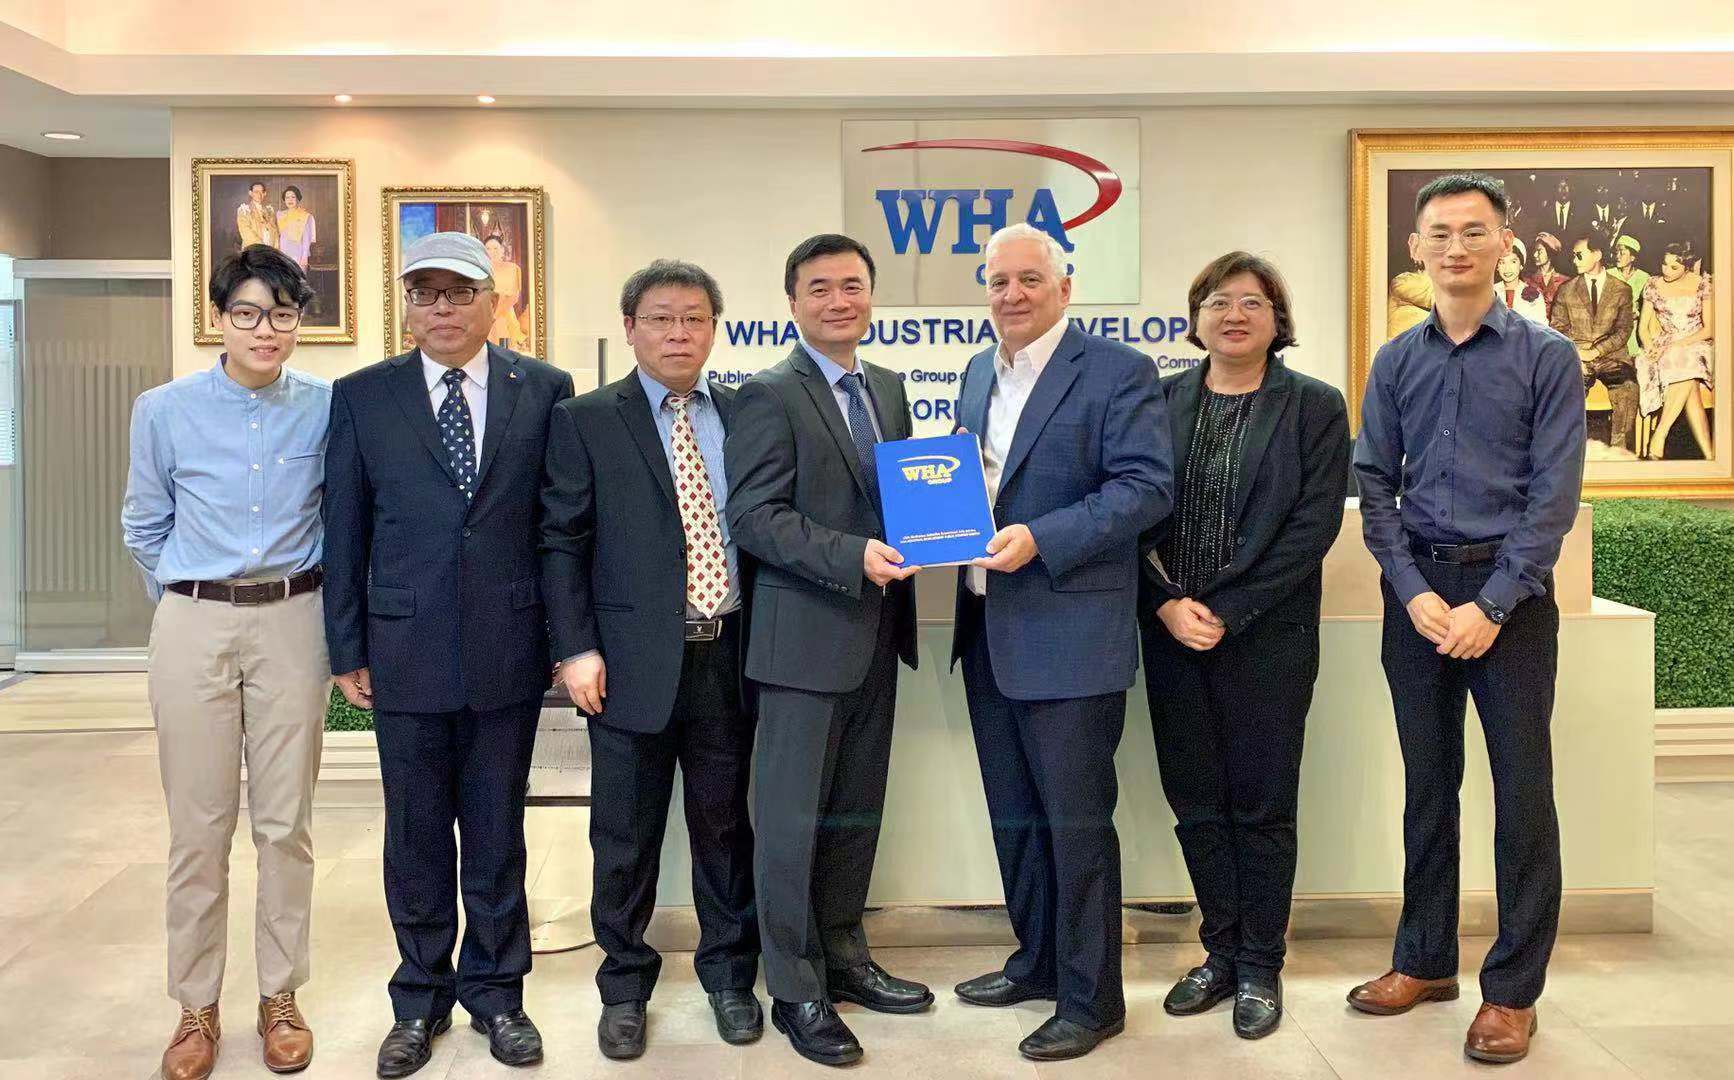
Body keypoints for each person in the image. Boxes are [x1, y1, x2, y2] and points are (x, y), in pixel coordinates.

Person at [322, 231, 573, 1078]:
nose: (441, 308)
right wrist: (345, 646)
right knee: (417, 835)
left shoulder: (544, 390)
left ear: (493, 302)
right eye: (424, 292)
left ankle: (498, 996)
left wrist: (563, 637)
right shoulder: (363, 396)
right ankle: (419, 999)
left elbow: (557, 526)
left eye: (459, 292)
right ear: (407, 305)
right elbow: (344, 529)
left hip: (510, 643)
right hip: (403, 648)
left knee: (498, 833)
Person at [1351, 173, 1586, 1065]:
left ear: (1503, 244)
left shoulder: (1546, 357)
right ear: (1417, 248)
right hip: (1416, 592)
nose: (1456, 247)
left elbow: (1552, 497)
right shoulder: (1395, 360)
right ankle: (1424, 961)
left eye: (1474, 231)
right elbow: (1375, 484)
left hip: (1510, 600)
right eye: (1440, 233)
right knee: (1428, 785)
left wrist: (1492, 604)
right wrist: (1412, 589)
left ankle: (1513, 993)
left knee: (1523, 795)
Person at [948, 223, 1172, 1062]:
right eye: (998, 281)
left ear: (1065, 288)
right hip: (987, 632)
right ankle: (1037, 962)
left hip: (1072, 637)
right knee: (1017, 820)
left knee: (1076, 828)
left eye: (1029, 279)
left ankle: (1091, 999)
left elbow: (1145, 488)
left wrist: (1042, 537)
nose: (1012, 295)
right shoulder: (978, 372)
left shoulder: (1118, 371)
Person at [539, 260, 762, 1060]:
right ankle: (625, 987)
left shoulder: (743, 413)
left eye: (695, 319)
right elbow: (561, 540)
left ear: (714, 329)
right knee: (624, 836)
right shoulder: (586, 419)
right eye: (661, 319)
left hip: (729, 655)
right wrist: (575, 648)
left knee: (725, 829)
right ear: (631, 327)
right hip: (626, 665)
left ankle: (729, 977)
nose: (678, 334)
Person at [122, 243, 329, 1080]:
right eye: (247, 313)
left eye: (282, 314)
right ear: (219, 319)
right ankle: (195, 1006)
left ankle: (280, 996)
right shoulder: (163, 410)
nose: (265, 330)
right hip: (195, 621)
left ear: (298, 321)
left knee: (285, 825)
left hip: (295, 620)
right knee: (199, 827)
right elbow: (144, 525)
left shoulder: (326, 409)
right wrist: (190, 601)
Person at [723, 233, 930, 1068]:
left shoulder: (889, 387)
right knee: (789, 823)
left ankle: (845, 955)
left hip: (879, 637)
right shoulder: (767, 395)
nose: (838, 301)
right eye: (819, 288)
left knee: (854, 813)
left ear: (870, 295)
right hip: (800, 643)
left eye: (852, 285)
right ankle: (796, 987)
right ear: (793, 303)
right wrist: (852, 556)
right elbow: (754, 516)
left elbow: (900, 501)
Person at [1139, 252, 1348, 1042]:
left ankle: (1262, 963)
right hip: (1172, 634)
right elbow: (1129, 511)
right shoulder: (1159, 403)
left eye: (1252, 302)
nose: (1234, 315)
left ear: (1276, 319)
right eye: (1219, 301)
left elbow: (1313, 527)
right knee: (1195, 803)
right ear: (1196, 318)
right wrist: (1165, 605)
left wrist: (1225, 610)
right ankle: (1219, 953)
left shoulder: (1313, 407)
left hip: (1268, 637)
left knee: (1261, 806)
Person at [1551, 235, 1636, 458]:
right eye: (1573, 256)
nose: (1574, 260)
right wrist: (1578, 352)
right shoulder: (1566, 290)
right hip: (1576, 357)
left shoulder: (1622, 289)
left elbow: (1623, 331)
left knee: (1628, 389)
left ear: (1597, 254)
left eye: (1579, 255)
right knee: (1565, 390)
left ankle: (1620, 453)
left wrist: (1596, 351)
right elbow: (1557, 329)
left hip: (1612, 357)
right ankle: (1566, 453)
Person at [1639, 244, 1715, 459]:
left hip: (1697, 342)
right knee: (1690, 386)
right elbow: (1643, 328)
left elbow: (1709, 330)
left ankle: (1660, 434)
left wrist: (1680, 344)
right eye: (1664, 264)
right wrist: (1651, 347)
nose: (1666, 270)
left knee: (1687, 358)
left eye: (1674, 267)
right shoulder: (1652, 284)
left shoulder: (1702, 284)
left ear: (1687, 267)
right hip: (1666, 344)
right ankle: (1710, 456)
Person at [484, 234, 529, 352]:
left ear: (502, 250)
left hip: (505, 317)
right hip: (485, 316)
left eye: (495, 248)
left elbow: (514, 297)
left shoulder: (512, 268)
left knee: (504, 351)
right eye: (488, 248)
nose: (492, 252)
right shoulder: (481, 270)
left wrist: (494, 316)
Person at [1609, 234, 1650, 365]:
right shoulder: (1609, 274)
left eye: (1622, 253)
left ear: (1633, 257)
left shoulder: (1644, 277)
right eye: (1616, 252)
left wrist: (1637, 313)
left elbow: (1647, 306)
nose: (1618, 256)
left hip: (1635, 327)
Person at [1494, 240, 1548, 325]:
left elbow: (1542, 327)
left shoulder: (1534, 295)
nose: (1507, 268)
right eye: (1502, 263)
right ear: (1497, 266)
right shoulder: (1489, 293)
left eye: (1513, 262)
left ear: (1521, 265)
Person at [1522, 232, 1568, 316]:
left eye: (1539, 251)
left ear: (1550, 252)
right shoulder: (1527, 280)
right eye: (1534, 251)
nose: (1535, 255)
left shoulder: (1565, 282)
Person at [275, 185, 316, 270]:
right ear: (284, 200)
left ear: (298, 199)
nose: (290, 200)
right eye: (287, 197)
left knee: (297, 277)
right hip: (282, 253)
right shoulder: (280, 215)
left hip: (298, 254)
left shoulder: (305, 216)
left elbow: (306, 239)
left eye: (293, 197)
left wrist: (304, 257)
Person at [236, 181, 278, 248]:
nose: (259, 195)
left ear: (265, 193)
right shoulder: (244, 210)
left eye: (262, 192)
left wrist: (275, 251)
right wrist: (262, 248)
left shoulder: (270, 211)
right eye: (256, 192)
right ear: (250, 193)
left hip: (270, 250)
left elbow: (275, 233)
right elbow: (246, 233)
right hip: (254, 250)